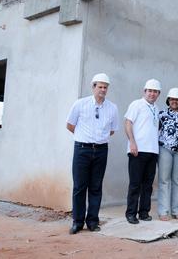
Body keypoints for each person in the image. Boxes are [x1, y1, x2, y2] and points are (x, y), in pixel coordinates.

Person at [66, 73, 119, 234]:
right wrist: (84, 138)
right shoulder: (80, 104)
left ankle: (92, 221)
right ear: (93, 87)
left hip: (101, 150)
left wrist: (98, 140)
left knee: (96, 186)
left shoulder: (112, 107)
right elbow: (70, 125)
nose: (103, 89)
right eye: (100, 86)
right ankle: (77, 221)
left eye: (105, 87)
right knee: (79, 187)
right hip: (82, 149)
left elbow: (112, 130)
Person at [124, 79, 162, 224]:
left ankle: (144, 212)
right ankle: (131, 213)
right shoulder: (136, 104)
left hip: (152, 151)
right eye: (150, 91)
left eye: (155, 91)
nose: (152, 94)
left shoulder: (156, 108)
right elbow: (128, 123)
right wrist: (132, 142)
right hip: (137, 150)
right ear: (144, 91)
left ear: (158, 94)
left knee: (148, 184)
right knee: (135, 183)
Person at [158, 87, 178, 221]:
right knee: (164, 180)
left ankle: (176, 211)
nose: (174, 101)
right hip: (165, 149)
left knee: (177, 181)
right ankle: (163, 211)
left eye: (177, 99)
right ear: (168, 100)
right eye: (172, 99)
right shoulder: (161, 114)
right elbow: (156, 131)